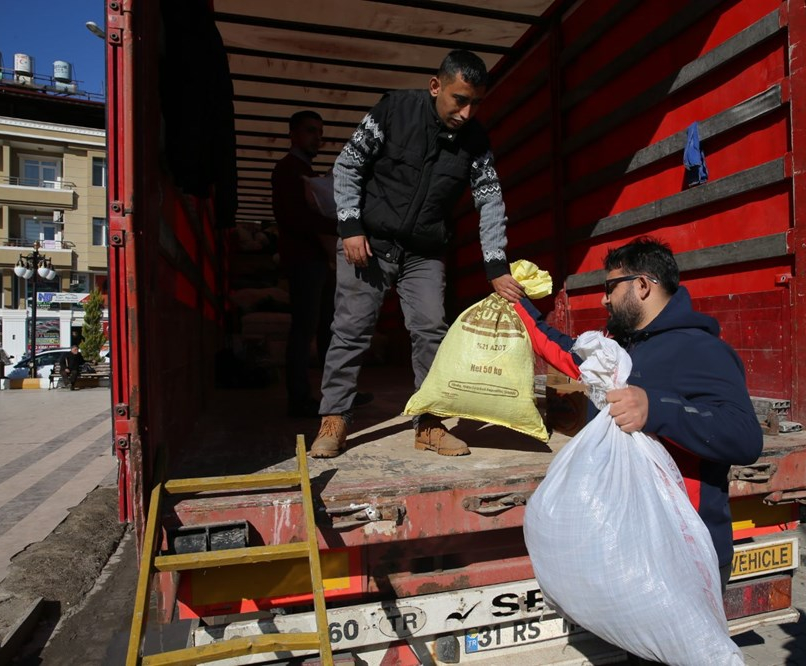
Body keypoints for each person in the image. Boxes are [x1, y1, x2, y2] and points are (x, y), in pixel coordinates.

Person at [514, 238, 764, 607]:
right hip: (634, 548)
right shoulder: (620, 346)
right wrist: (516, 305)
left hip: (685, 555)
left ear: (643, 285)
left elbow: (745, 438)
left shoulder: (701, 350)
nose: (604, 300)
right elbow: (567, 353)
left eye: (610, 287)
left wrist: (656, 410)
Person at [310, 49, 525, 458]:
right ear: (435, 86)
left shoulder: (476, 140)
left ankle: (429, 423)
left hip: (424, 252)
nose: (466, 112)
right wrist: (351, 226)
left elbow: (491, 200)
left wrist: (496, 265)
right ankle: (334, 418)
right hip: (369, 243)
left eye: (475, 103)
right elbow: (347, 165)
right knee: (351, 330)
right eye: (459, 99)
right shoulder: (395, 110)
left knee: (431, 331)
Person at [271, 110, 338, 417]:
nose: (317, 137)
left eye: (320, 132)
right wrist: (336, 227)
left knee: (326, 327)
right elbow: (293, 218)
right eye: (311, 131)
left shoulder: (308, 172)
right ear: (294, 135)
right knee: (305, 328)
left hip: (319, 260)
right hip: (303, 260)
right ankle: (299, 399)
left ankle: (335, 395)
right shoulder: (288, 169)